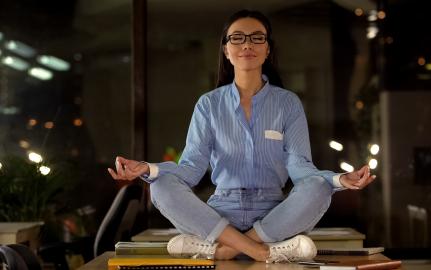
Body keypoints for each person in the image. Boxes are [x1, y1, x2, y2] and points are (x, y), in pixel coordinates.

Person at [108, 9, 375, 263]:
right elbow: (190, 169)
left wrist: (339, 179)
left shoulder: (287, 103)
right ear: (226, 49)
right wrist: (147, 168)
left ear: (267, 48)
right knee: (161, 186)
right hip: (220, 213)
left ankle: (224, 250)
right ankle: (264, 251)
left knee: (319, 187)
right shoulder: (208, 104)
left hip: (273, 214)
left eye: (257, 37)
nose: (247, 44)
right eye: (237, 38)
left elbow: (301, 169)